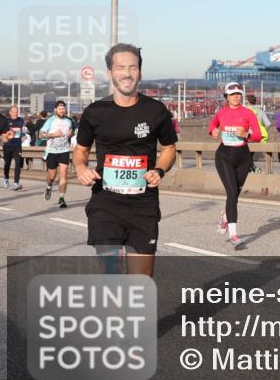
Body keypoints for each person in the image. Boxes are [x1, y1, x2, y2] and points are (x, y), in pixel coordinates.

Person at [73, 44, 178, 277]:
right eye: (120, 67)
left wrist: (159, 169)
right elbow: (80, 150)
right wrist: (80, 167)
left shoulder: (156, 110)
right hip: (106, 203)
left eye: (133, 67)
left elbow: (169, 148)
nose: (127, 73)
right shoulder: (95, 112)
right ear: (110, 73)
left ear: (140, 72)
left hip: (143, 204)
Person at [208, 83, 263, 248]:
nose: (236, 97)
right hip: (224, 156)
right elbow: (212, 126)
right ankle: (233, 234)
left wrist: (246, 134)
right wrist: (213, 132)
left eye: (238, 94)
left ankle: (225, 215)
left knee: (235, 193)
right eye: (232, 94)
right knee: (232, 192)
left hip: (243, 157)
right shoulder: (221, 113)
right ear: (226, 97)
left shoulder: (248, 113)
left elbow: (258, 135)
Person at [39, 100, 75, 207]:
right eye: (60, 109)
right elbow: (40, 135)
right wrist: (53, 135)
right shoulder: (51, 120)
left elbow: (74, 131)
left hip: (64, 151)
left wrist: (71, 133)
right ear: (55, 110)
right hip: (52, 152)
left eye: (63, 108)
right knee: (52, 176)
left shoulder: (69, 121)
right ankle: (49, 186)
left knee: (63, 174)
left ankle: (61, 198)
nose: (62, 111)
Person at [245, 93, 270, 173]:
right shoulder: (261, 112)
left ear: (247, 102)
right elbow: (268, 124)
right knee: (250, 155)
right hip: (258, 136)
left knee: (247, 155)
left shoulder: (245, 111)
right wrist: (262, 130)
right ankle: (250, 169)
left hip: (247, 136)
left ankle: (253, 169)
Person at [2, 105, 25, 190]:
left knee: (18, 163)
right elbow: (3, 133)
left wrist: (23, 135)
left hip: (17, 145)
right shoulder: (6, 121)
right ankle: (6, 179)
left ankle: (16, 183)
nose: (15, 113)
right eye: (13, 112)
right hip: (7, 146)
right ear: (10, 112)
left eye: (16, 112)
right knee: (7, 163)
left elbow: (23, 131)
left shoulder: (21, 120)